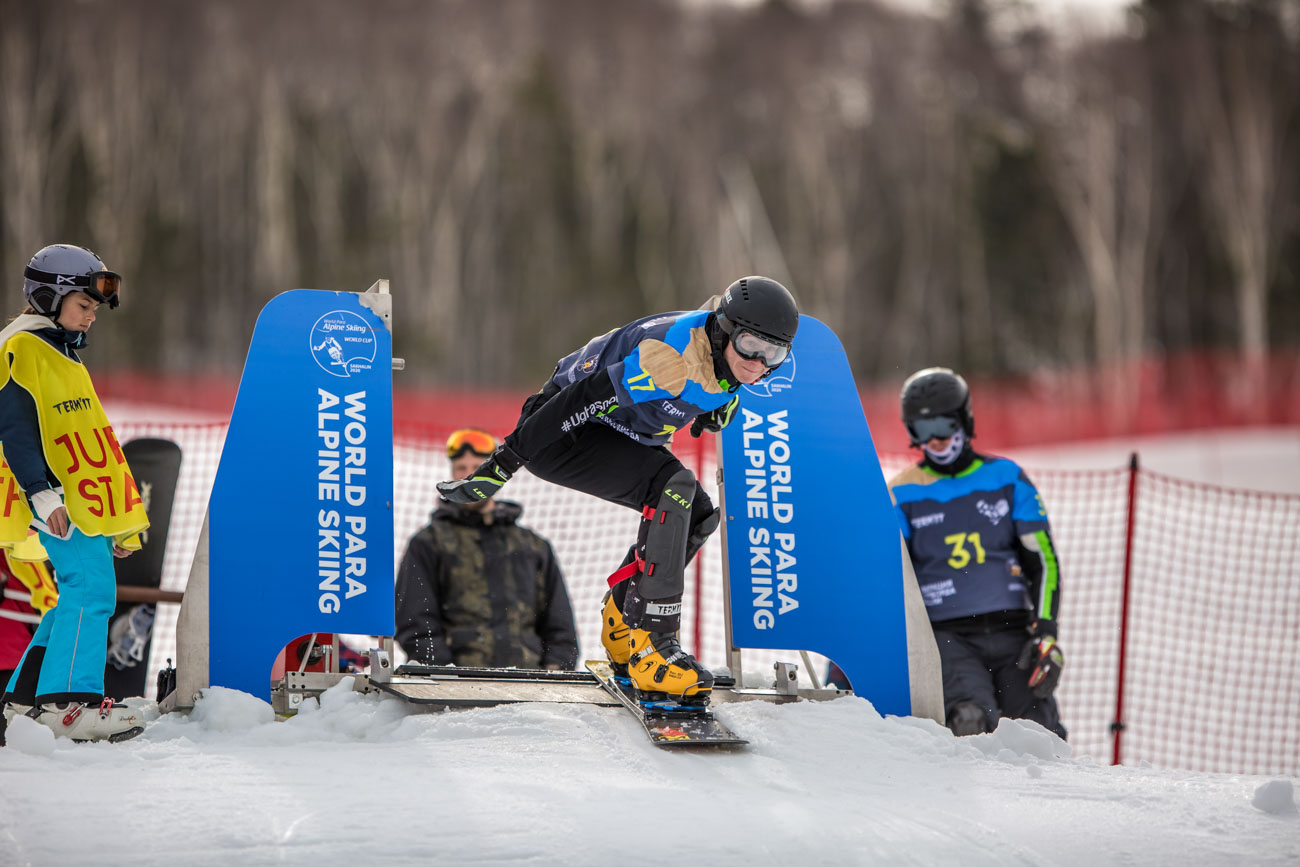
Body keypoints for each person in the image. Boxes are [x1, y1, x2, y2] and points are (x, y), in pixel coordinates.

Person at [437, 277, 800, 709]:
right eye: (750, 345)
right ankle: (653, 645)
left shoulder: (725, 353)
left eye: (773, 353)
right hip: (561, 433)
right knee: (673, 488)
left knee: (699, 514)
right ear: (724, 329)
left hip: (616, 433)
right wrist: (505, 462)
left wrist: (718, 404)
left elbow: (717, 376)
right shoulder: (667, 359)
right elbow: (578, 399)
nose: (759, 362)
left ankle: (623, 625)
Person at [0, 244, 150, 743]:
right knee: (91, 590)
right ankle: (69, 705)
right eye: (84, 306)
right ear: (50, 296)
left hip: (78, 503)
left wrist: (119, 518)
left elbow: (91, 444)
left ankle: (23, 703)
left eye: (94, 309)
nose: (91, 317)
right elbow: (16, 429)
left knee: (73, 596)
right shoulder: (23, 348)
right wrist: (42, 495)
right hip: (54, 501)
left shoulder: (57, 351)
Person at [888, 367, 1067, 738]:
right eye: (922, 430)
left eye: (942, 426)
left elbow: (1043, 562)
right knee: (968, 722)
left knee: (1037, 732)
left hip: (1013, 631)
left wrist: (1046, 634)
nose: (935, 440)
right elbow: (888, 575)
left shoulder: (1007, 478)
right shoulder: (902, 492)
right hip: (947, 637)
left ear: (963, 420)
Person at [395, 427, 579, 670]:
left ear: (493, 477)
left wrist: (555, 671)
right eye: (461, 469)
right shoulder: (428, 543)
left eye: (477, 469)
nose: (468, 477)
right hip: (455, 692)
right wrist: (443, 675)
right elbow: (415, 622)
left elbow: (560, 625)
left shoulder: (532, 546)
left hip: (529, 688)